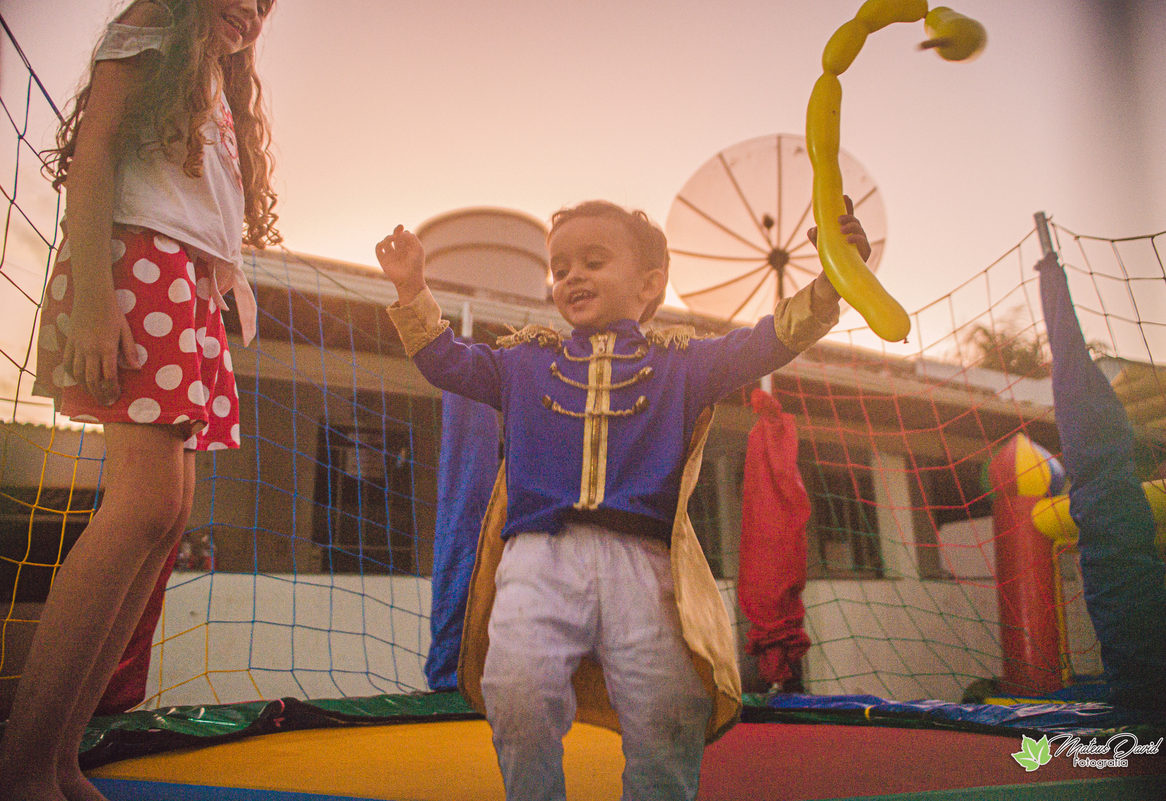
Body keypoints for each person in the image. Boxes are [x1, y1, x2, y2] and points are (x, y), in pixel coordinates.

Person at [376, 198, 869, 800]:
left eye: (594, 261)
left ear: (650, 283)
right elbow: (444, 362)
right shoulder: (523, 362)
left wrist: (830, 278)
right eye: (560, 269)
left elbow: (770, 342)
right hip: (538, 560)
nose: (573, 277)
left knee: (667, 707)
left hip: (647, 565)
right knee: (518, 688)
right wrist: (412, 290)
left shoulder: (685, 365)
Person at [0, 1, 279, 799]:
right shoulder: (151, 37)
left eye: (266, 4)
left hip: (184, 283)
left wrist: (225, 278)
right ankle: (21, 766)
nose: (252, 9)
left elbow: (197, 200)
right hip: (133, 269)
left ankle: (59, 755)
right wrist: (95, 298)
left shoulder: (218, 86)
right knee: (142, 501)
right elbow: (92, 164)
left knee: (167, 510)